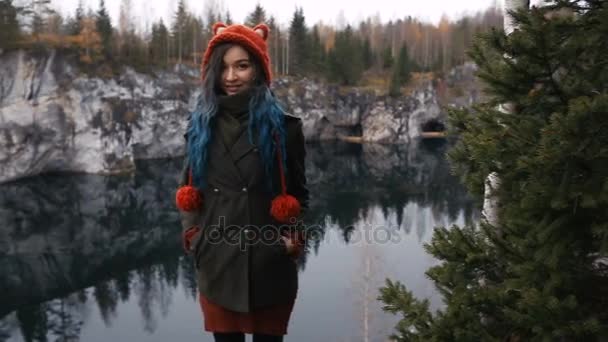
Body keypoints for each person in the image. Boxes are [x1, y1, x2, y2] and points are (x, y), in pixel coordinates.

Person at [175, 22, 309, 342]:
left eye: (242, 66)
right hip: (217, 263)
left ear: (259, 69)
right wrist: (193, 235)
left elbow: (299, 192)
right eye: (222, 67)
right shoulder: (200, 126)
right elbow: (187, 189)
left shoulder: (286, 129)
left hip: (270, 264)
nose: (231, 77)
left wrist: (293, 240)